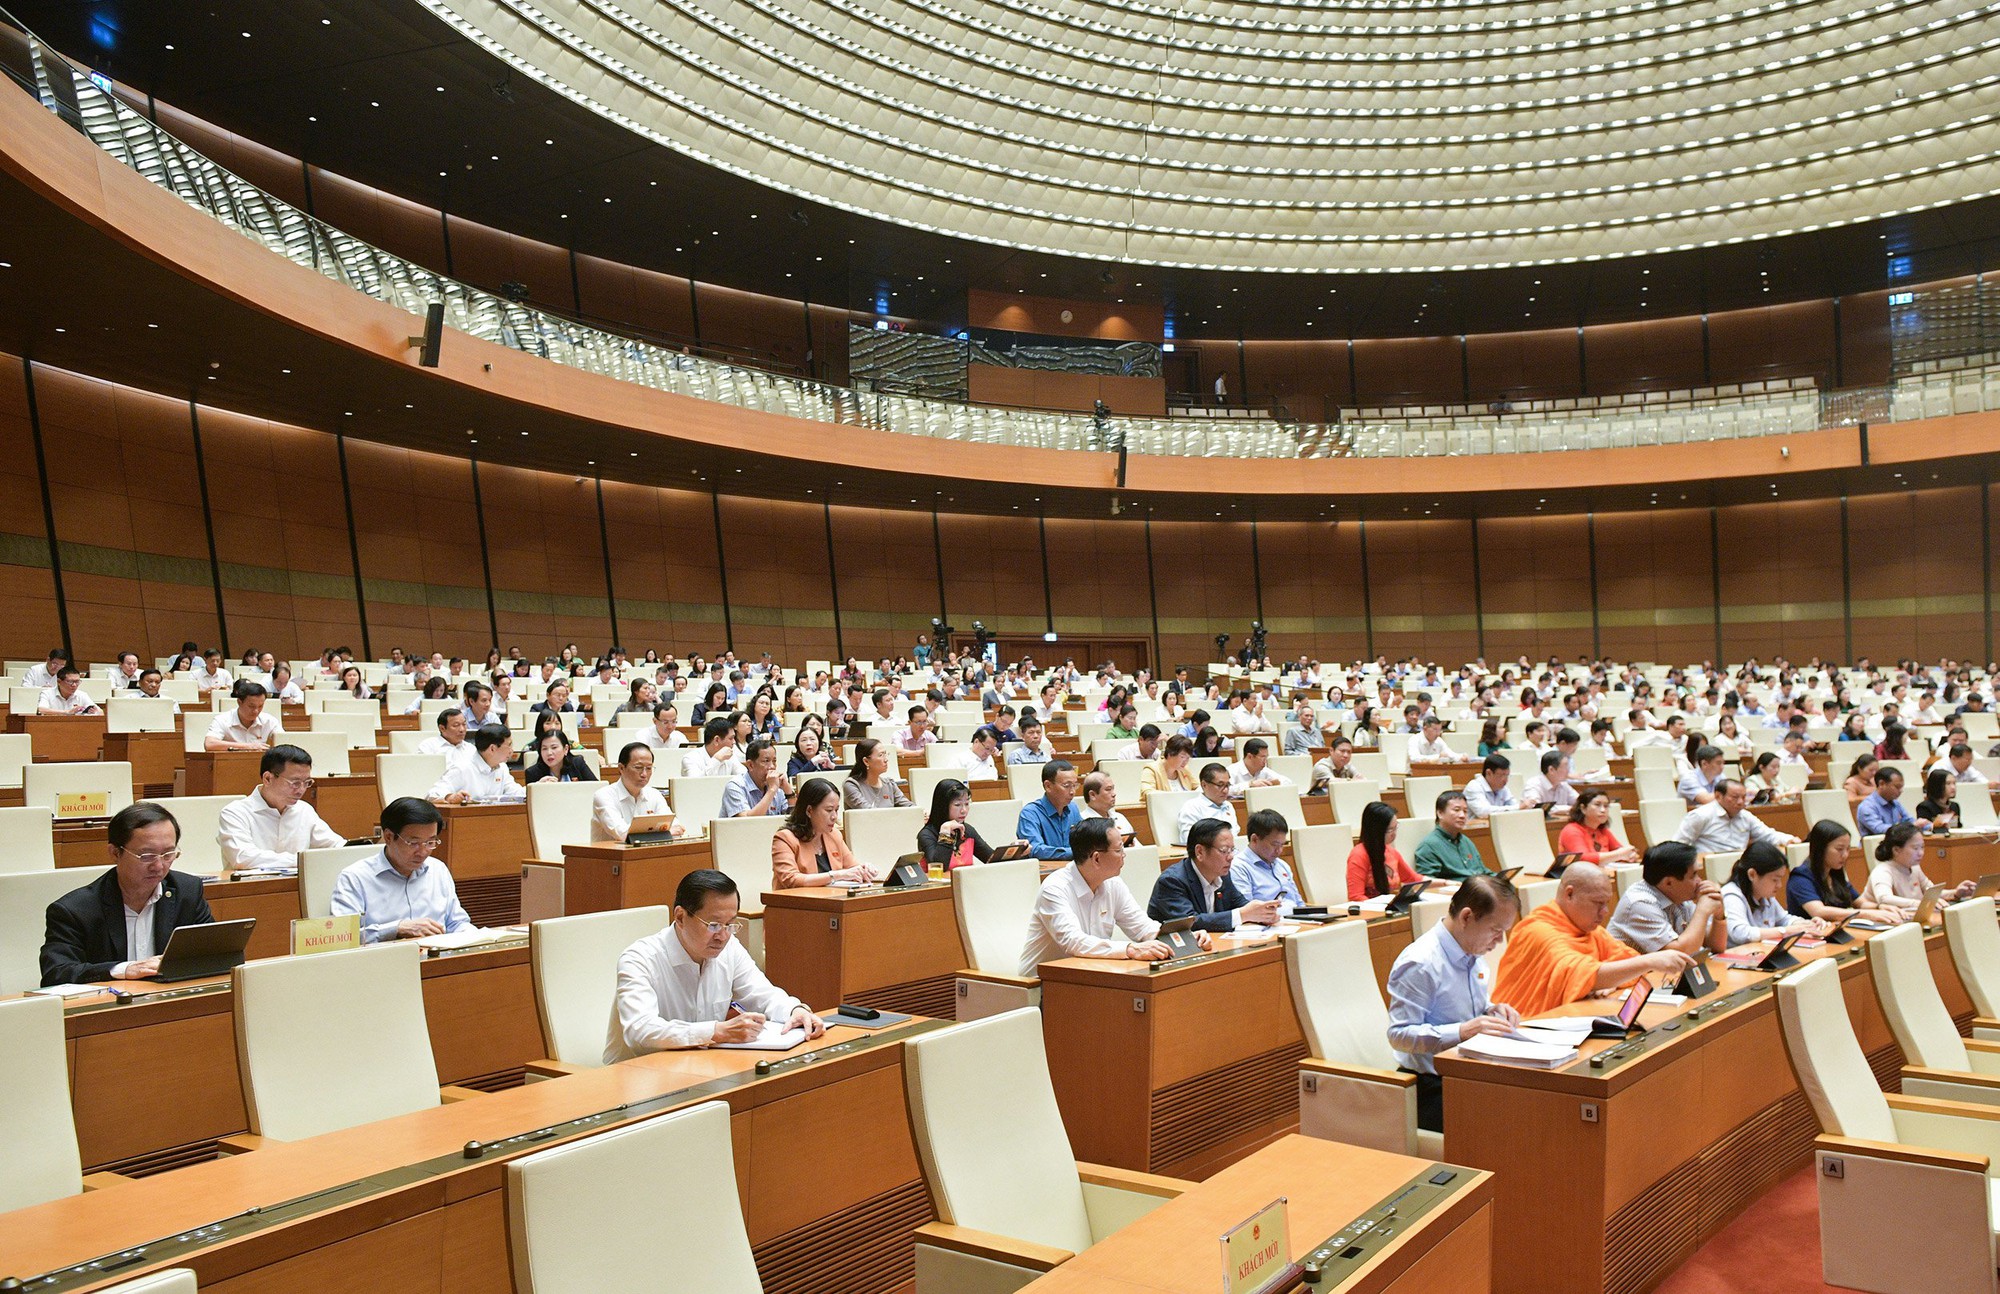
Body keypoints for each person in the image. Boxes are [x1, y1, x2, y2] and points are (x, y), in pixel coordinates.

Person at [605, 869, 824, 1061]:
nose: (722, 936)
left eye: (730, 925)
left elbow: (764, 995)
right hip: (638, 1077)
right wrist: (716, 1031)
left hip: (701, 1068)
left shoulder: (730, 949)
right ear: (680, 917)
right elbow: (640, 1030)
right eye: (713, 925)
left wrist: (795, 1010)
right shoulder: (639, 959)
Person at [1386, 875, 1523, 1133]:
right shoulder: (1421, 963)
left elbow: (1463, 1008)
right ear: (1467, 917)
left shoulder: (1471, 951)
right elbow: (1398, 1035)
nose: (1499, 941)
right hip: (1430, 1086)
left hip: (1468, 1073)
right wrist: (1463, 1031)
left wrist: (1492, 1011)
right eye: (1496, 930)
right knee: (1510, 1127)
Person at [40, 803, 215, 985]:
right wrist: (123, 969)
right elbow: (56, 973)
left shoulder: (187, 892)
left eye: (168, 854)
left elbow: (217, 953)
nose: (159, 866)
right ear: (115, 853)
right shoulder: (75, 911)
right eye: (146, 856)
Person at [1491, 862, 1694, 1017]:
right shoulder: (1538, 931)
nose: (1605, 912)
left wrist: (1611, 982)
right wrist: (1650, 960)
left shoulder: (1589, 929)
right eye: (1598, 903)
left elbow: (1625, 962)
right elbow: (1582, 972)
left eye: (1607, 903)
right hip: (1525, 1026)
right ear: (1569, 894)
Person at [1020, 818, 1207, 975]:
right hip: (1041, 985)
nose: (1124, 855)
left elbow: (1143, 928)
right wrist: (1130, 949)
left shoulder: (1113, 883)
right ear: (1096, 858)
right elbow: (1074, 942)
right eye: (1118, 850)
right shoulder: (1055, 888)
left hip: (1091, 974)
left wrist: (1186, 937)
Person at [329, 798, 472, 943]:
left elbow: (457, 922)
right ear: (389, 837)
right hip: (383, 962)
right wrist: (396, 929)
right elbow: (341, 938)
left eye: (430, 842)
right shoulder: (355, 878)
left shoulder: (438, 869)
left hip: (436, 959)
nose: (423, 852)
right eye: (414, 843)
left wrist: (479, 937)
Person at [217, 744, 346, 872]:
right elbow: (243, 857)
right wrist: (302, 860)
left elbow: (335, 845)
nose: (301, 790)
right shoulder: (235, 813)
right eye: (294, 783)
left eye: (307, 783)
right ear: (267, 778)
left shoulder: (304, 810)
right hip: (250, 890)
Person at [1150, 818, 1280, 932]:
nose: (1231, 857)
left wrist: (1261, 914)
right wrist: (1242, 915)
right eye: (1224, 851)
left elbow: (1239, 903)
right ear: (1200, 852)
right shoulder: (1172, 881)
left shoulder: (1223, 874)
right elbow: (1190, 922)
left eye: (1232, 850)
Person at [1606, 842, 1726, 955]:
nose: (1699, 881)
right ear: (1669, 883)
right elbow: (1680, 953)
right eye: (1693, 875)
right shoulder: (1640, 903)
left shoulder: (1680, 896)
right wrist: (1702, 911)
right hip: (1634, 976)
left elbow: (1716, 947)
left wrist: (1719, 915)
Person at [1788, 820, 1901, 924]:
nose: (1845, 855)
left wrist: (1879, 907)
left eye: (1848, 849)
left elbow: (1860, 902)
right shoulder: (1800, 877)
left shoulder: (1834, 872)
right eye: (1839, 849)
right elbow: (1819, 911)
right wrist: (1866, 914)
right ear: (1820, 848)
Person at [771, 778, 872, 887]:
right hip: (795, 902)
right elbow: (790, 880)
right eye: (829, 810)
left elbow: (852, 868)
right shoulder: (785, 838)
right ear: (809, 810)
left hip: (832, 900)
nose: (834, 817)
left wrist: (863, 870)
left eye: (836, 810)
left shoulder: (834, 835)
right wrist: (836, 875)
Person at [1863, 821, 1974, 920]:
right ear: (1896, 850)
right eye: (1915, 848)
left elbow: (1930, 892)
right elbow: (1884, 898)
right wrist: (1919, 903)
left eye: (1922, 847)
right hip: (1888, 922)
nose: (1921, 853)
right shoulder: (1882, 871)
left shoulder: (1915, 867)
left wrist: (1955, 893)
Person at [1721, 842, 1815, 945]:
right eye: (1775, 880)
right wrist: (1785, 931)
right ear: (1752, 874)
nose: (1779, 885)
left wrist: (1808, 924)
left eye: (1780, 879)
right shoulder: (1731, 895)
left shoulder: (1764, 894)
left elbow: (1784, 919)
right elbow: (1740, 934)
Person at [1674, 779, 1798, 854]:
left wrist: (1789, 839)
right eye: (1734, 797)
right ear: (1718, 796)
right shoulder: (1700, 815)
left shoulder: (1745, 816)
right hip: (1708, 867)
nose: (1740, 802)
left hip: (1739, 866)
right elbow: (1678, 846)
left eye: (1743, 798)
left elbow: (1767, 835)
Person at [592, 743, 683, 842]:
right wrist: (663, 832)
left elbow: (677, 828)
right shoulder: (604, 796)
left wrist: (662, 831)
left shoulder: (654, 794)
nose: (644, 774)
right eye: (638, 767)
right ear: (621, 768)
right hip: (611, 855)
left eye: (649, 768)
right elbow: (623, 835)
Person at [919, 778, 1005, 869]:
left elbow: (992, 860)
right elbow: (938, 867)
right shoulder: (926, 835)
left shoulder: (967, 830)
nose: (964, 810)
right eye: (957, 805)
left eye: (967, 804)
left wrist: (1016, 852)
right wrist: (945, 833)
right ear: (942, 806)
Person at [1231, 810, 1303, 913]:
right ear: (1255, 839)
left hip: (1298, 922)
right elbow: (1247, 912)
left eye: (1282, 844)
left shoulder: (1282, 865)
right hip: (1267, 925)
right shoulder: (1238, 867)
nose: (1279, 850)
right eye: (1274, 844)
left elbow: (1299, 904)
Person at [427, 728, 523, 804]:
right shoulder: (462, 768)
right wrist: (450, 797)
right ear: (492, 749)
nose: (512, 751)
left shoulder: (502, 767)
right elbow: (432, 794)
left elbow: (516, 793)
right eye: (509, 745)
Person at [1349, 800, 1421, 899]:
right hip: (1371, 911)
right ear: (1376, 830)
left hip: (1390, 908)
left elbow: (1414, 879)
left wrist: (1445, 883)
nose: (1394, 834)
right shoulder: (1359, 854)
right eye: (1390, 829)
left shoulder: (1391, 852)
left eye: (1395, 828)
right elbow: (1356, 896)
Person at [1414, 790, 1488, 880]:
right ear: (1440, 813)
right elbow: (1428, 883)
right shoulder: (1429, 845)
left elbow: (1483, 871)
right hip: (1458, 891)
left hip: (1479, 887)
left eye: (1465, 811)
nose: (1462, 815)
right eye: (1456, 810)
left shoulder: (1466, 841)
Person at [1018, 760, 1083, 861]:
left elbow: (1086, 839)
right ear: (1048, 786)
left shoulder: (1073, 808)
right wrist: (1076, 853)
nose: (1072, 792)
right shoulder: (1030, 813)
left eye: (1075, 785)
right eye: (1066, 786)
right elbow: (1034, 849)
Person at [1558, 791, 1639, 866]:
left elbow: (1620, 850)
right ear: (1583, 808)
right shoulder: (1571, 830)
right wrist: (1619, 854)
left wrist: (1630, 855)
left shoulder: (1602, 830)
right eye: (1597, 805)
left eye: (1606, 806)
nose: (1603, 810)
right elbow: (1583, 859)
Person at [199, 681, 279, 752]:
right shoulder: (222, 720)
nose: (256, 711)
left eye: (260, 706)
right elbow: (209, 744)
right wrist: (249, 746)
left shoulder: (269, 721)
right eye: (251, 706)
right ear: (239, 702)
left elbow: (284, 742)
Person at [722, 739, 790, 818]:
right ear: (750, 765)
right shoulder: (735, 786)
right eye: (766, 761)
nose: (772, 766)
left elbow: (794, 821)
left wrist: (789, 793)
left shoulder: (777, 785)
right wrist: (772, 790)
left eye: (774, 761)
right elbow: (747, 822)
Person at [1177, 761, 1237, 846]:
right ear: (1204, 785)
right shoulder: (1192, 807)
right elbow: (1189, 841)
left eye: (1227, 785)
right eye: (1220, 785)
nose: (1225, 790)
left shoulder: (1228, 806)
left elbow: (1235, 836)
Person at [843, 737, 913, 809]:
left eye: (885, 754)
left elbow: (907, 805)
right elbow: (869, 813)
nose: (886, 759)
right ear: (866, 761)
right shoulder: (852, 785)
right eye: (881, 755)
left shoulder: (889, 784)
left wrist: (919, 812)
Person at [416, 706, 483, 780]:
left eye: (464, 724)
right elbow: (425, 774)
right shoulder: (428, 746)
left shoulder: (471, 749)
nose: (462, 729)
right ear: (442, 728)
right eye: (456, 725)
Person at [1857, 767, 1923, 835]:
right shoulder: (1867, 806)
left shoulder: (1895, 803)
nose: (1901, 791)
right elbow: (1879, 829)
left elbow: (1908, 820)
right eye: (1897, 787)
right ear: (1881, 784)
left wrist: (1928, 825)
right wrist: (1911, 826)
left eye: (1901, 787)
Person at [525, 729, 597, 783]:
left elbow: (596, 787)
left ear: (565, 749)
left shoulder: (577, 763)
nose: (549, 753)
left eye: (554, 747)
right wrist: (538, 787)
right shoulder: (532, 773)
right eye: (544, 748)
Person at [1078, 771, 1135, 840]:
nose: (1114, 794)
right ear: (1092, 795)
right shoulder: (1082, 822)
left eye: (1113, 789)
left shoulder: (1120, 817)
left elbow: (1139, 847)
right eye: (1108, 789)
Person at [36, 664, 101, 716]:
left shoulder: (82, 695)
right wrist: (67, 712)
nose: (74, 685)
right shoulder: (47, 694)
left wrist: (95, 712)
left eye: (77, 681)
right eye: (70, 682)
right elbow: (41, 709)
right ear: (59, 681)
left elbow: (101, 712)